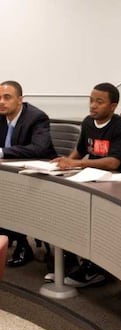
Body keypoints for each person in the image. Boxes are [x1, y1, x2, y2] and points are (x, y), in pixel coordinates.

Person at [53, 83, 121, 287]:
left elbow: (114, 162)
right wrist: (64, 163)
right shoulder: (88, 122)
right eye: (91, 100)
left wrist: (77, 163)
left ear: (113, 106)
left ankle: (94, 270)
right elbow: (79, 151)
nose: (93, 106)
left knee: (88, 215)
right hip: (91, 179)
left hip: (115, 184)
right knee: (63, 208)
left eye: (99, 101)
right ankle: (69, 263)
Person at [0, 80, 57, 267]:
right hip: (11, 175)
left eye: (6, 97)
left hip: (39, 178)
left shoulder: (36, 117)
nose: (1, 102)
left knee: (10, 197)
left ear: (20, 100)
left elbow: (39, 148)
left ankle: (23, 245)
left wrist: (2, 152)